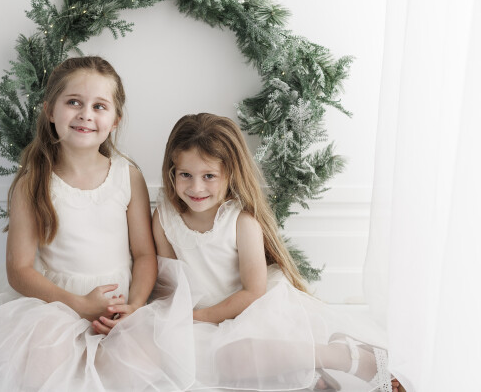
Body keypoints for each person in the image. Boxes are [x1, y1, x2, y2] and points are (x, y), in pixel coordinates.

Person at [0, 57, 193, 392]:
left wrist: (135, 306)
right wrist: (79, 304)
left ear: (115, 121)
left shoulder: (128, 176)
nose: (85, 114)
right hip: (57, 305)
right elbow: (20, 269)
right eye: (74, 102)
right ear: (50, 110)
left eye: (99, 106)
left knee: (140, 368)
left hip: (117, 306)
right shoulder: (34, 182)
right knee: (44, 369)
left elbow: (143, 254)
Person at [150, 113, 402, 392]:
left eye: (209, 176)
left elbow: (253, 292)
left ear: (230, 174)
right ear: (172, 171)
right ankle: (307, 375)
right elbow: (170, 282)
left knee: (233, 358)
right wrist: (182, 319)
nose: (196, 187)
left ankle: (342, 356)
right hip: (200, 320)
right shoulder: (165, 219)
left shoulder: (241, 222)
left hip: (249, 311)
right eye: (185, 175)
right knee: (193, 361)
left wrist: (202, 316)